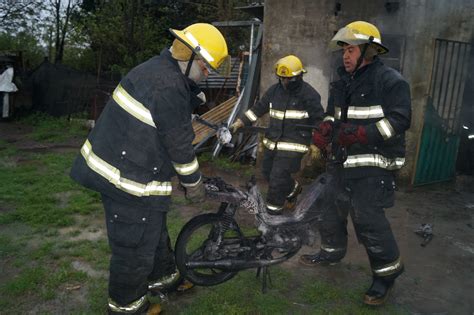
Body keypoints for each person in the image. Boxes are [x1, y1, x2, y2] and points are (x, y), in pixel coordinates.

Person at [70, 23, 229, 314]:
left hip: (133, 170)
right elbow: (180, 146)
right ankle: (127, 307)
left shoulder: (160, 71)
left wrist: (190, 94)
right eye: (206, 67)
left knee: (153, 230)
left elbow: (159, 108)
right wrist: (194, 184)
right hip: (126, 181)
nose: (206, 75)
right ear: (191, 56)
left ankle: (164, 279)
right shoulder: (168, 85)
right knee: (133, 249)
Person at [299, 21, 411, 306]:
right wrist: (325, 129)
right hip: (341, 161)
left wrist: (364, 133)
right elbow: (331, 115)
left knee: (366, 218)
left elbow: (400, 120)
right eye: (344, 51)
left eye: (351, 50)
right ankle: (331, 252)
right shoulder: (341, 84)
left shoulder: (390, 81)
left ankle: (386, 275)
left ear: (369, 51)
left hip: (375, 162)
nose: (345, 56)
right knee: (330, 209)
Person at [231, 55, 324, 215]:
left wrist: (317, 144)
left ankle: (273, 216)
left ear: (299, 76)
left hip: (294, 145)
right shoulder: (274, 91)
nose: (285, 83)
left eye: (289, 79)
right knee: (267, 173)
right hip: (272, 142)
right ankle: (293, 189)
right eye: (282, 79)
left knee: (277, 178)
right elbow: (258, 109)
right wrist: (241, 122)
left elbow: (319, 120)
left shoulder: (309, 94)